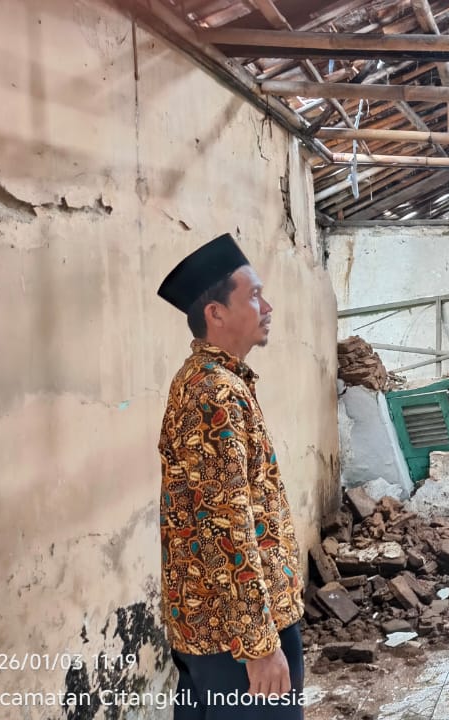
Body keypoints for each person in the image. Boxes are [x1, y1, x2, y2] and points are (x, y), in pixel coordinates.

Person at [156, 233, 305, 719]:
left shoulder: (207, 380)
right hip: (237, 641)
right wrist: (259, 644)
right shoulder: (215, 392)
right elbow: (226, 525)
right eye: (254, 295)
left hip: (216, 630)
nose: (268, 306)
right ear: (216, 313)